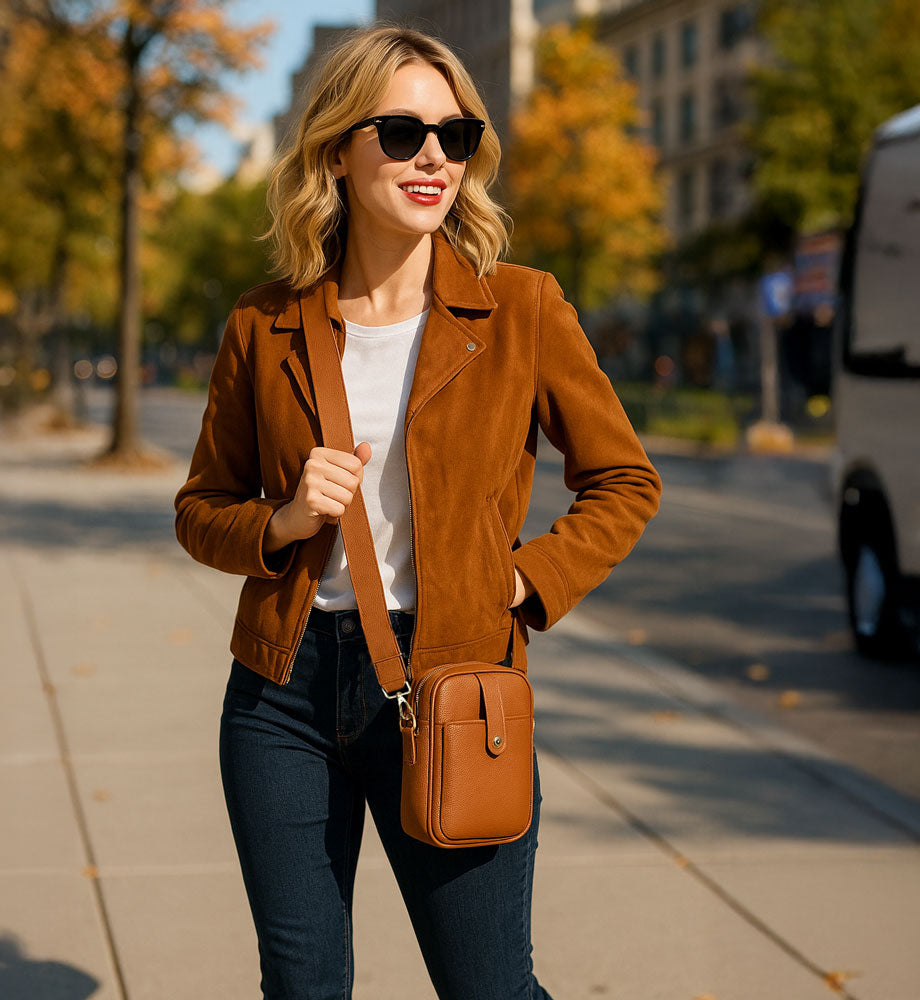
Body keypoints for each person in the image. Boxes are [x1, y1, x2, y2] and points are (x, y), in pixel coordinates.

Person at [173, 22, 662, 1000]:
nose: (434, 155)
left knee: (489, 986)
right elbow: (200, 509)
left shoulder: (522, 309)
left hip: (455, 686)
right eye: (401, 132)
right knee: (301, 987)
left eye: (456, 134)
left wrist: (522, 581)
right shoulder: (263, 323)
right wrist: (279, 522)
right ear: (336, 151)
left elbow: (624, 479)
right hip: (282, 693)